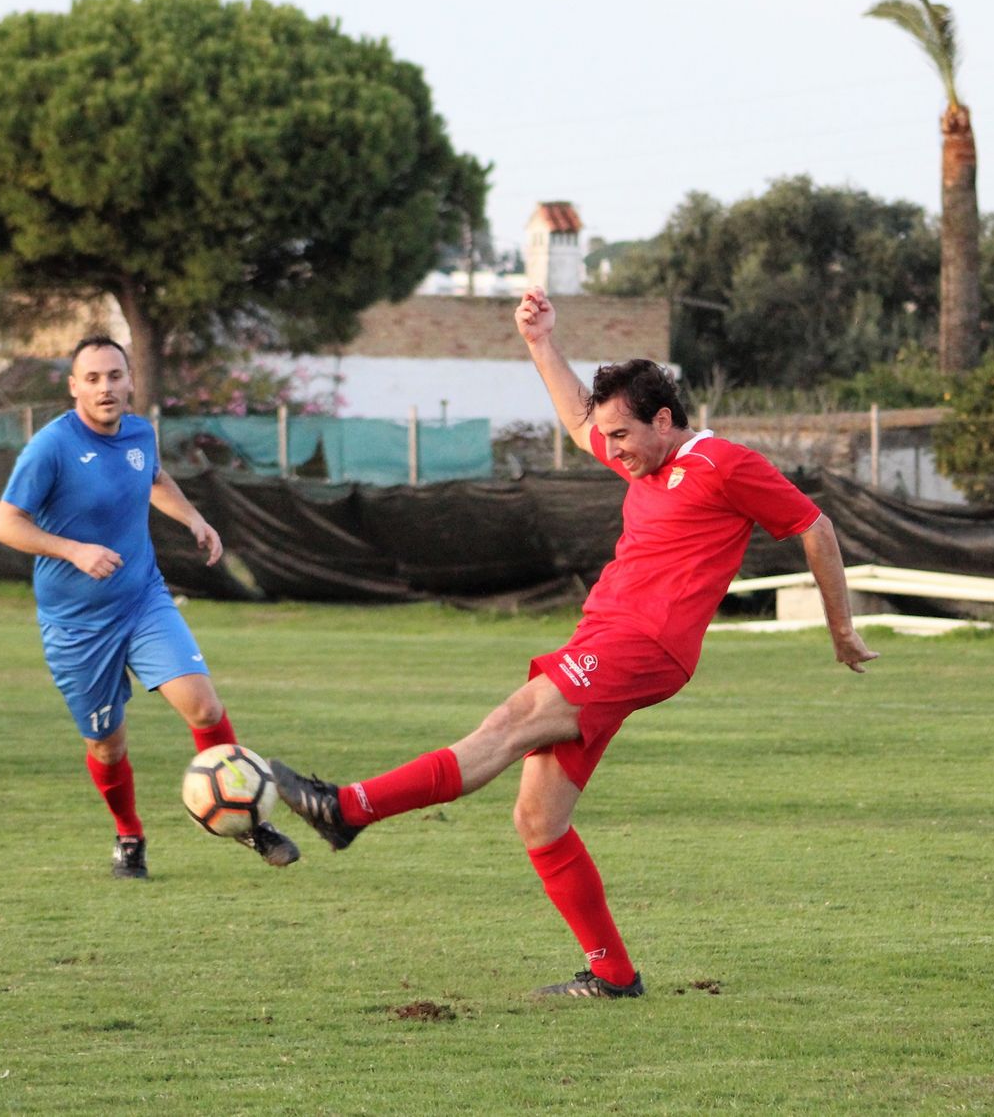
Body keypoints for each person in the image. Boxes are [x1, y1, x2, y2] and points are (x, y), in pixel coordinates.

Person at [271, 286, 879, 998]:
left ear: (663, 419)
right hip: (610, 638)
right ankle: (613, 975)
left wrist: (841, 629)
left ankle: (347, 810)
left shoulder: (726, 464)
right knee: (538, 818)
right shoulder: (643, 456)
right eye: (609, 439)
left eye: (622, 435)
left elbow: (817, 527)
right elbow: (574, 417)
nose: (611, 449)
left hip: (643, 645)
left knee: (508, 723)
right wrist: (539, 342)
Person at [0, 335, 299, 879]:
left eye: (114, 375)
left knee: (204, 707)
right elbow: (4, 524)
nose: (105, 387)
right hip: (77, 626)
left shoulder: (139, 433)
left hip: (142, 600)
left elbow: (153, 476)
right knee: (108, 748)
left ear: (131, 381)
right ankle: (129, 836)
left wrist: (193, 519)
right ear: (74, 387)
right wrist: (73, 549)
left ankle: (249, 822)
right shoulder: (50, 447)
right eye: (92, 378)